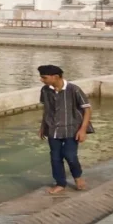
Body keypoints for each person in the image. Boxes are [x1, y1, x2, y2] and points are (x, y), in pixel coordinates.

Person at [37, 64, 92, 195]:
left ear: (55, 77)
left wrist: (83, 130)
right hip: (53, 129)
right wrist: (42, 127)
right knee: (55, 157)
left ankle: (77, 177)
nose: (41, 80)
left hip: (72, 129)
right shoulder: (45, 90)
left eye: (44, 77)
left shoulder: (74, 90)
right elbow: (47, 109)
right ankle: (60, 183)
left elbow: (87, 109)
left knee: (70, 155)